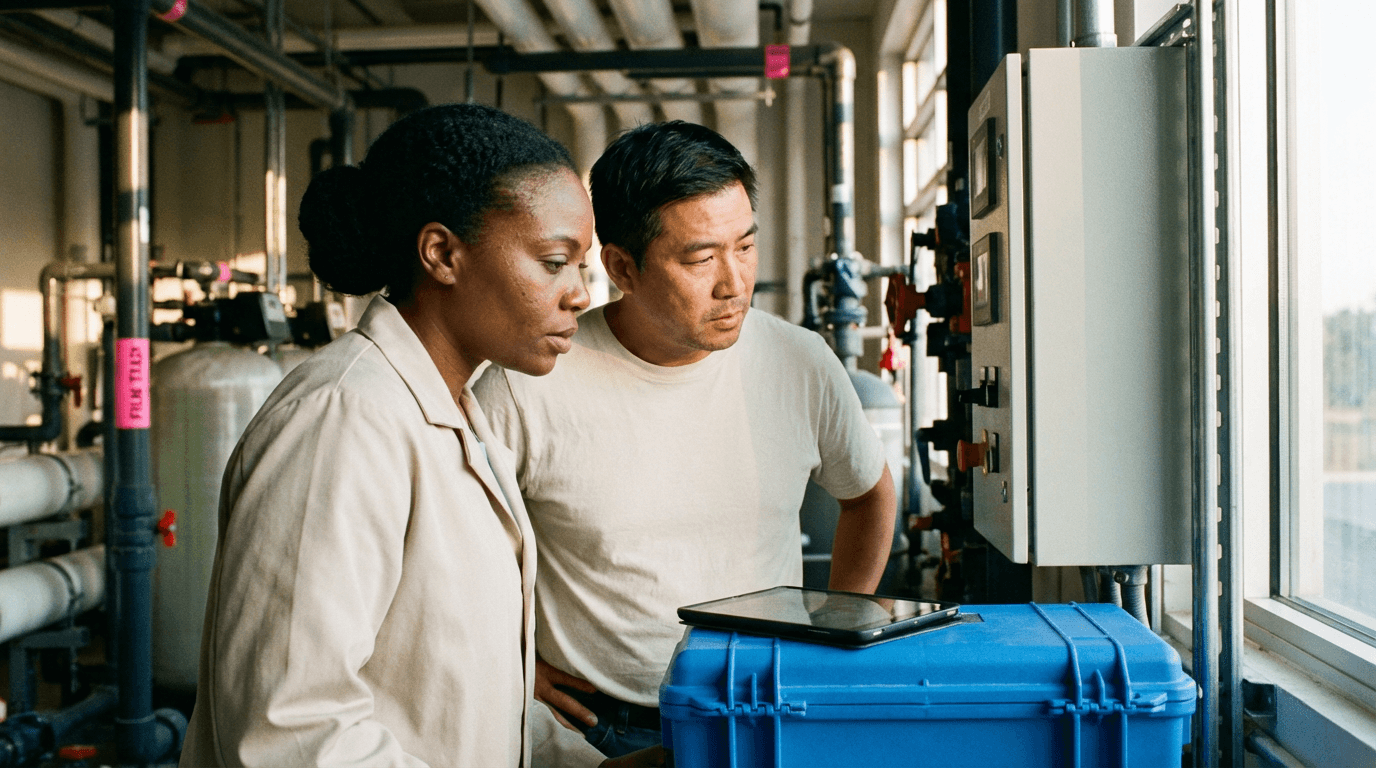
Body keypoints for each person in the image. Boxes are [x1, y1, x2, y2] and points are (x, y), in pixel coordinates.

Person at [180, 104, 657, 767]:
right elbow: (291, 733)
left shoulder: (458, 411)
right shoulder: (343, 420)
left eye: (581, 266)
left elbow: (459, 700)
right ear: (442, 254)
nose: (580, 293)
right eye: (554, 261)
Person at [474, 121, 897, 757]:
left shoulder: (800, 362)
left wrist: (838, 629)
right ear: (621, 266)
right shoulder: (528, 381)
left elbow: (868, 494)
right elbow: (449, 556)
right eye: (701, 259)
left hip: (763, 710)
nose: (735, 282)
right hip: (596, 729)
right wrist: (508, 664)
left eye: (745, 246)